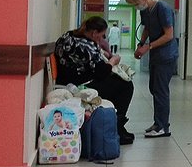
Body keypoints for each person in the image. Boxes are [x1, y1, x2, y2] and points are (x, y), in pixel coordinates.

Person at [54, 16, 135, 144]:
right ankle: (116, 126)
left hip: (65, 80)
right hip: (80, 86)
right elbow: (101, 72)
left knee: (116, 82)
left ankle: (115, 124)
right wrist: (112, 61)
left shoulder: (67, 37)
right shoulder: (87, 45)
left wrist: (101, 52)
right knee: (126, 85)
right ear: (94, 33)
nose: (102, 39)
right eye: (101, 36)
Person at [126, 0, 176, 138]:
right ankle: (158, 123)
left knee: (160, 91)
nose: (136, 7)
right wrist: (141, 44)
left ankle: (163, 127)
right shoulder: (145, 10)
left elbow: (169, 35)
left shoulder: (162, 8)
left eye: (136, 3)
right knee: (154, 89)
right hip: (156, 55)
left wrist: (148, 46)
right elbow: (147, 28)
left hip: (166, 55)